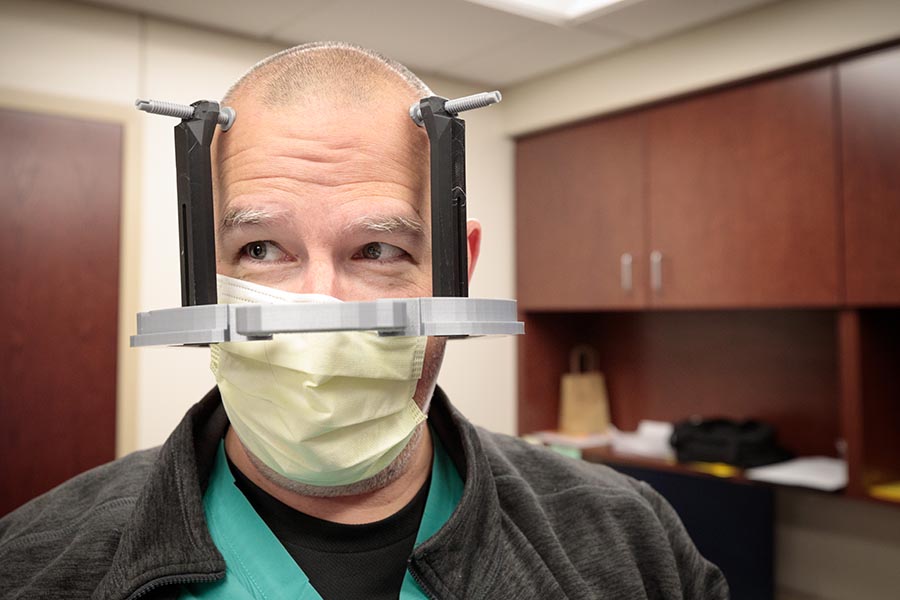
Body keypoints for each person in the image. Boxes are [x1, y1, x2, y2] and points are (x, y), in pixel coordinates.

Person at [0, 42, 728, 600]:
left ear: (456, 271)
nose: (323, 318)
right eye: (261, 249)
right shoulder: (35, 562)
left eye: (378, 249)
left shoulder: (632, 544)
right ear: (203, 275)